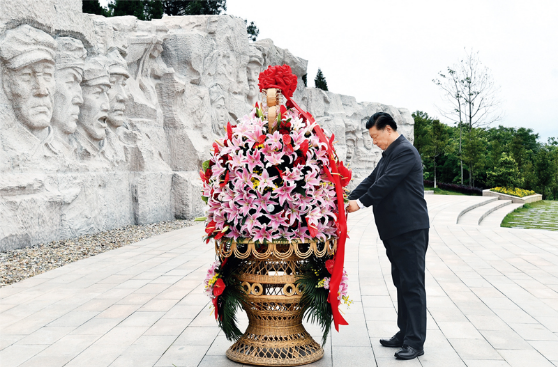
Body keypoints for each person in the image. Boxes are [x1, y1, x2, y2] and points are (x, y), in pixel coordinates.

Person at [347, 112, 429, 360]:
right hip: (395, 231)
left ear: (389, 129)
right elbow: (372, 180)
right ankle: (404, 333)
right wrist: (347, 198)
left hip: (410, 229)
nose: (373, 141)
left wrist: (359, 204)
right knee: (401, 282)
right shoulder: (389, 155)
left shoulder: (404, 151)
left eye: (375, 136)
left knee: (412, 284)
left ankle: (415, 341)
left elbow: (386, 184)